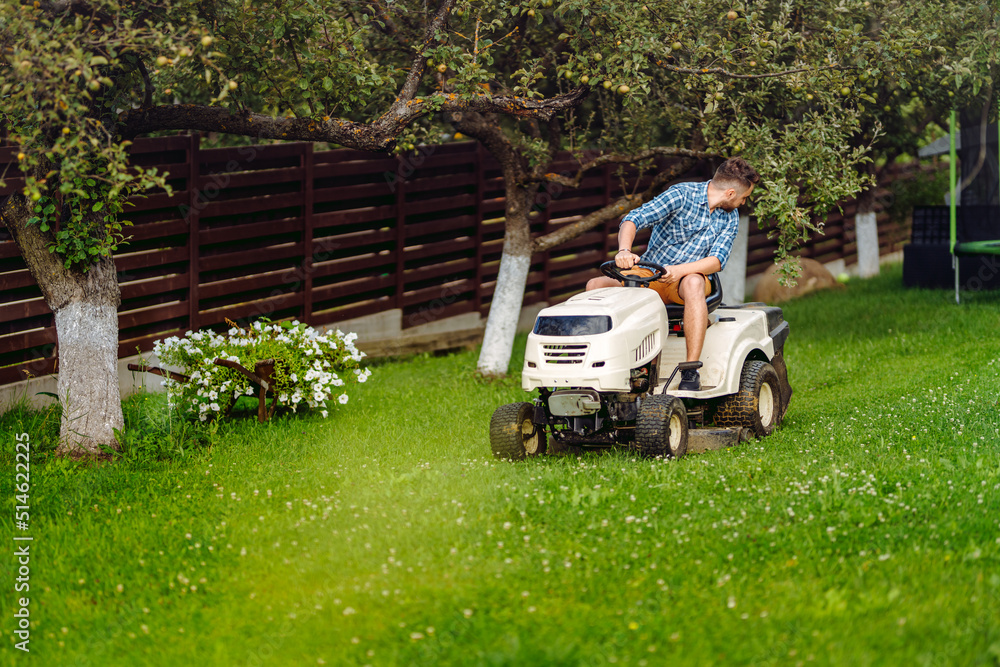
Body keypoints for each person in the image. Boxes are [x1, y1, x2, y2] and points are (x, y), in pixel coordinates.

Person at [585, 157, 759, 390]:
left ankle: (690, 371)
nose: (742, 202)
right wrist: (624, 251)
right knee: (595, 286)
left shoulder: (730, 218)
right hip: (651, 276)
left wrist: (678, 271)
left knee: (694, 282)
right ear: (729, 193)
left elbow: (716, 261)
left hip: (686, 281)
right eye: (743, 197)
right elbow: (632, 219)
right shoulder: (681, 195)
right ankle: (599, 363)